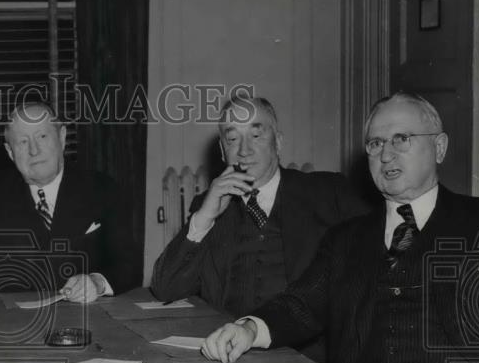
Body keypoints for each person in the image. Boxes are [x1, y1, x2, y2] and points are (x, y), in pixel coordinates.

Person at [201, 92, 479, 363]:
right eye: (376, 143)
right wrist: (248, 328)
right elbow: (301, 304)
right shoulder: (346, 238)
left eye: (402, 139)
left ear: (440, 147)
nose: (386, 154)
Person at [151, 95, 370, 322]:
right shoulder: (207, 204)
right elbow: (165, 289)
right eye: (233, 139)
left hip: (302, 352)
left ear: (278, 141)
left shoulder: (328, 192)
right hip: (227, 343)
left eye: (256, 136)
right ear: (222, 150)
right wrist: (205, 217)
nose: (244, 150)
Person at [0, 101, 140, 311]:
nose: (34, 150)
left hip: (88, 318)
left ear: (61, 138)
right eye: (23, 142)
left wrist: (96, 283)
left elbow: (129, 263)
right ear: (9, 151)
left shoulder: (102, 188)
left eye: (42, 137)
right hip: (14, 323)